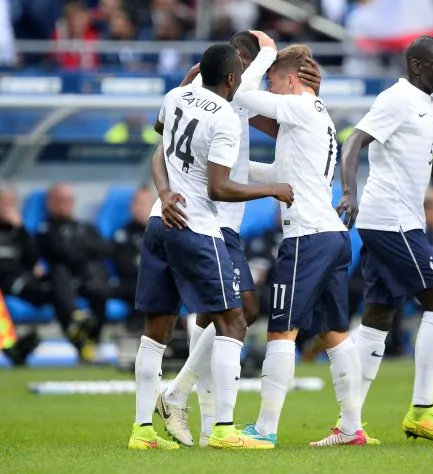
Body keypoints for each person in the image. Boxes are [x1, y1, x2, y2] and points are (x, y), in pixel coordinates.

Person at [155, 31, 321, 448]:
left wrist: (308, 93)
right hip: (204, 218)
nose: (259, 76)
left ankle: (183, 399)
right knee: (233, 313)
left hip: (223, 221)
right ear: (239, 64)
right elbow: (166, 150)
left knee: (228, 313)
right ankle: (209, 419)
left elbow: (276, 135)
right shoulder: (213, 93)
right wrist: (268, 52)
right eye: (254, 66)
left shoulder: (232, 99)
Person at [127, 42, 293, 451]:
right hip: (197, 228)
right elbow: (219, 188)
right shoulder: (224, 118)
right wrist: (271, 188)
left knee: (155, 333)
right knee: (233, 322)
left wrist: (164, 193)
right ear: (233, 78)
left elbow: (158, 149)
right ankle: (222, 430)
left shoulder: (175, 95)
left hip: (159, 220)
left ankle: (142, 432)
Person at [337, 35, 433, 443]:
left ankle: (349, 426)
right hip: (391, 221)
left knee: (379, 316)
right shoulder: (396, 99)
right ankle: (422, 411)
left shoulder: (431, 108)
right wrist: (348, 191)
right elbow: (354, 140)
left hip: (399, 222)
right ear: (417, 66)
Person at [231, 42, 366, 448]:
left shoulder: (300, 107)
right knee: (334, 332)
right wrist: (233, 167)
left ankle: (265, 430)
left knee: (281, 330)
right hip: (331, 237)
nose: (269, 90)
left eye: (273, 82)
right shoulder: (316, 115)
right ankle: (351, 427)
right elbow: (281, 172)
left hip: (306, 236)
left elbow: (239, 93)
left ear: (289, 80)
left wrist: (263, 54)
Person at [37, 183, 112, 358]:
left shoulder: (84, 226)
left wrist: (78, 249)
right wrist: (84, 249)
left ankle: (93, 340)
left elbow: (104, 249)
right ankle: (76, 324)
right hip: (61, 283)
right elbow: (59, 252)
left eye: (69, 200)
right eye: (60, 200)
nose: (65, 204)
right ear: (50, 203)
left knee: (99, 291)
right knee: (59, 271)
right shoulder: (45, 228)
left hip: (86, 279)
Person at [111, 187, 154, 331]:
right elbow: (125, 266)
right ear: (132, 207)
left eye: (145, 204)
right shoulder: (122, 234)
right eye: (138, 203)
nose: (141, 208)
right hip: (130, 283)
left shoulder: (162, 232)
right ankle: (140, 330)